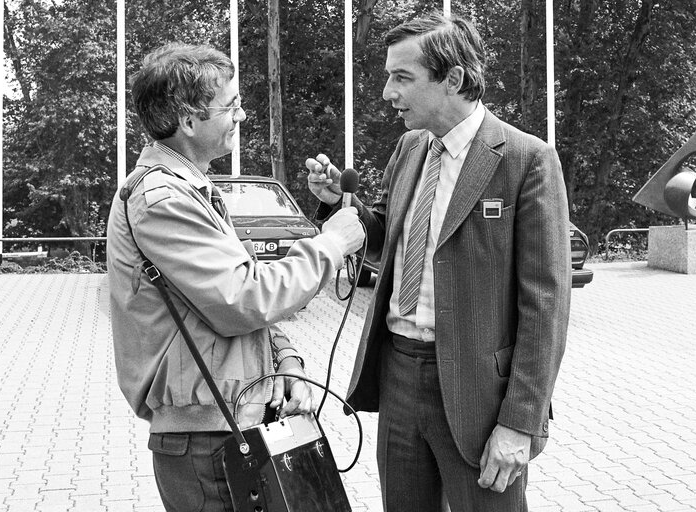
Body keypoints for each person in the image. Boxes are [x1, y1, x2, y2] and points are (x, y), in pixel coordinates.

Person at [306, 11, 571, 512]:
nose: (387, 92)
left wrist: (519, 422)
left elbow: (546, 307)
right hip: (398, 375)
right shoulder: (409, 147)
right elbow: (386, 240)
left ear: (452, 79)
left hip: (480, 396)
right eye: (389, 76)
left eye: (402, 77)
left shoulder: (526, 159)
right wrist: (336, 207)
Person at [107, 42, 364, 512]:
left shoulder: (191, 189)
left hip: (229, 425)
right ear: (187, 120)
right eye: (232, 105)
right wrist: (331, 243)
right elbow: (244, 300)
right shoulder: (164, 200)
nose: (241, 116)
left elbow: (237, 302)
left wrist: (288, 363)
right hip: (207, 443)